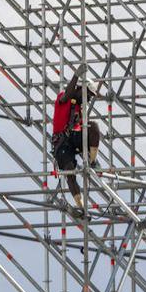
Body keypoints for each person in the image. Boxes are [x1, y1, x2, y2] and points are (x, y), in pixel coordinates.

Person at [51, 63, 100, 210]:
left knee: (93, 127)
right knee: (69, 170)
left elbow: (84, 128)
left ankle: (92, 160)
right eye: (88, 95)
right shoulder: (63, 99)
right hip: (61, 142)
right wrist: (76, 75)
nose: (89, 99)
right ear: (80, 89)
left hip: (73, 139)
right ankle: (80, 205)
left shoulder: (80, 107)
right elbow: (68, 94)